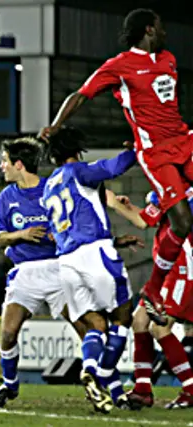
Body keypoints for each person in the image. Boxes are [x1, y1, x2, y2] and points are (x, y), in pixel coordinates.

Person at [40, 9, 193, 326]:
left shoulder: (169, 60)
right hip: (156, 153)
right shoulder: (119, 66)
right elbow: (81, 95)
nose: (165, 32)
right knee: (181, 222)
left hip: (184, 140)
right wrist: (56, 125)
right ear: (149, 29)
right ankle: (152, 291)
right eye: (161, 27)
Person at [42, 127, 137, 413]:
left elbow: (54, 231)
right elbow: (116, 166)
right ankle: (100, 374)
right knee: (123, 317)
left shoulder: (48, 187)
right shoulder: (79, 171)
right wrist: (137, 147)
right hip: (95, 253)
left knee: (96, 325)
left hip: (66, 261)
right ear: (77, 151)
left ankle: (91, 368)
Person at [0, 137, 66, 408]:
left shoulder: (52, 190)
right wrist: (23, 234)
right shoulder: (6, 197)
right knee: (7, 334)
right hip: (24, 272)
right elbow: (0, 237)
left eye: (5, 161)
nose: (1, 166)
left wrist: (59, 235)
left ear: (19, 165)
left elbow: (71, 224)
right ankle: (9, 386)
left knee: (85, 327)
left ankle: (103, 381)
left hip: (58, 269)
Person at [106, 189, 193, 409]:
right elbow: (153, 217)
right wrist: (127, 206)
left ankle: (191, 389)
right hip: (167, 270)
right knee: (139, 321)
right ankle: (143, 389)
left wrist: (114, 204)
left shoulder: (174, 186)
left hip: (180, 268)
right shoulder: (176, 186)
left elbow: (143, 222)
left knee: (159, 328)